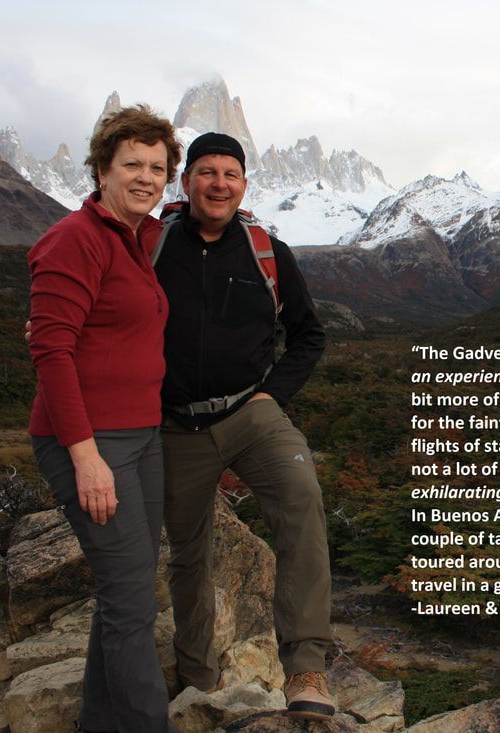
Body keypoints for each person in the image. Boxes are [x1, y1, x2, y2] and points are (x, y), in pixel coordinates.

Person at [150, 133, 334, 720]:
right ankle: (198, 675)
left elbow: (309, 335)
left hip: (250, 412)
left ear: (244, 185)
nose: (218, 183)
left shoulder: (267, 252)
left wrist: (271, 397)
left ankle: (306, 667)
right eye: (206, 172)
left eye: (230, 174)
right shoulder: (149, 245)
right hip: (175, 423)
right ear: (186, 183)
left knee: (302, 498)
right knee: (188, 551)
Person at [27, 106, 181, 733]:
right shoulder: (76, 238)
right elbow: (51, 350)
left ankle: (98, 723)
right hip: (93, 442)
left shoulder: (137, 236)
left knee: (129, 591)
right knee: (129, 599)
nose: (146, 178)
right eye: (132, 165)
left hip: (140, 436)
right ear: (101, 169)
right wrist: (85, 456)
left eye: (157, 167)